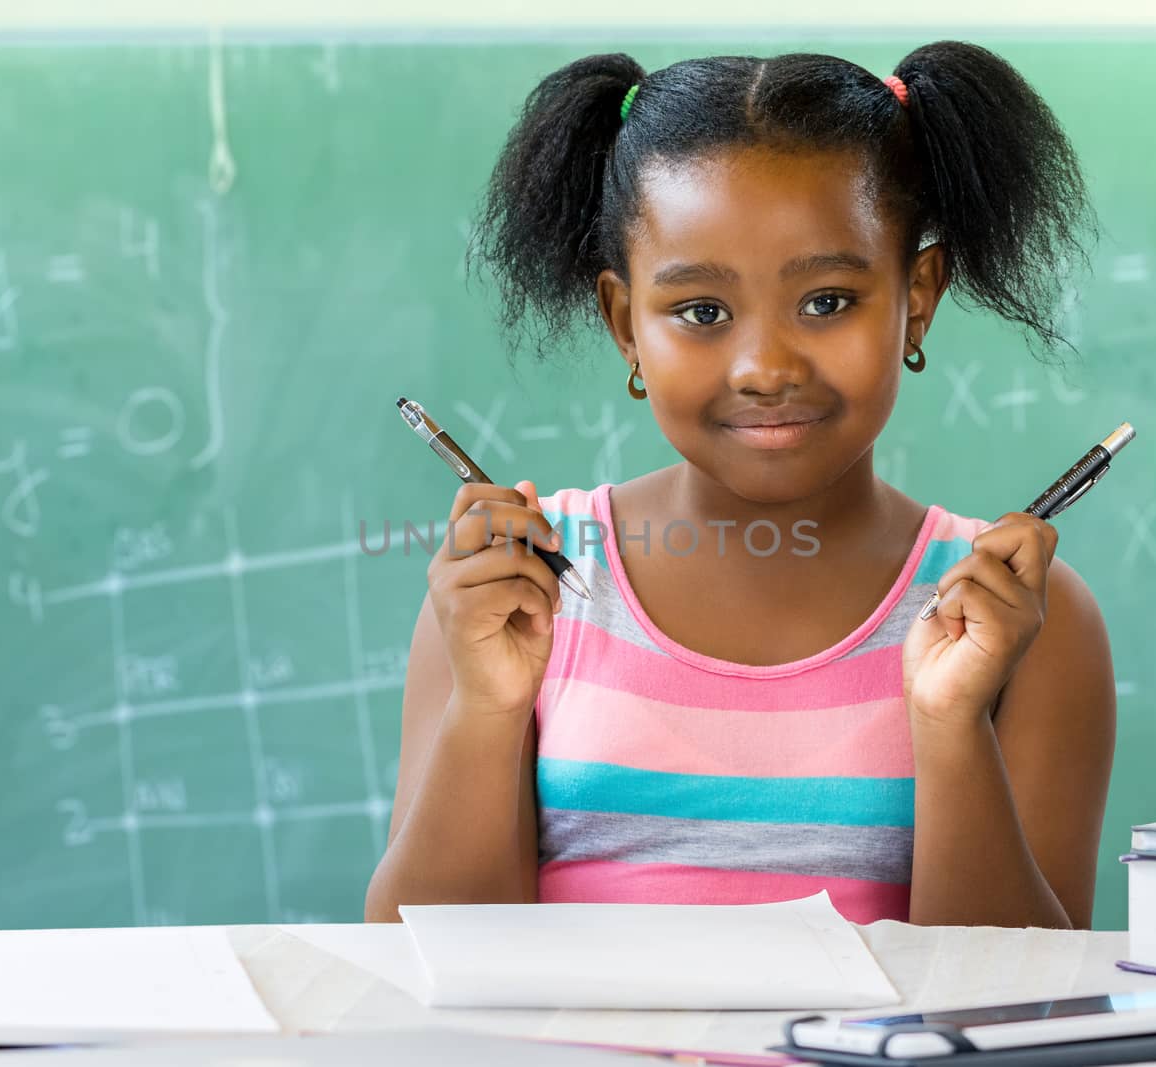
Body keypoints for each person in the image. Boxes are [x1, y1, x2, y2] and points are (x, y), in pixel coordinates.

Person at [366, 43, 1116, 929]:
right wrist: (489, 705)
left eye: (828, 301)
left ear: (917, 296)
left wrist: (951, 727)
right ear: (625, 324)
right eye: (702, 313)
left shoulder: (1025, 619)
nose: (764, 368)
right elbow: (417, 957)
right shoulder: (520, 590)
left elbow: (1024, 1001)